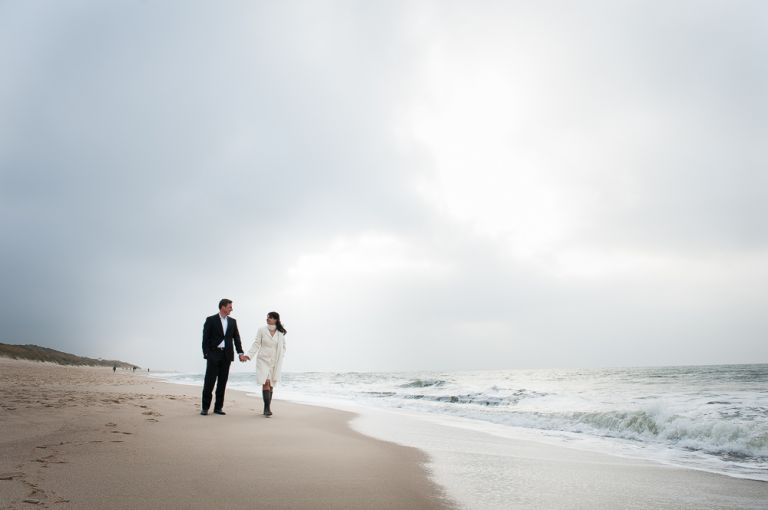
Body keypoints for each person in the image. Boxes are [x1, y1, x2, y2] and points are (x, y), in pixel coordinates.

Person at [200, 298, 245, 416]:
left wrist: (240, 353)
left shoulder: (232, 321)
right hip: (213, 354)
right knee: (209, 382)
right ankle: (205, 408)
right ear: (223, 307)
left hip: (227, 355)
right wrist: (206, 354)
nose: (232, 309)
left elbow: (237, 338)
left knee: (222, 383)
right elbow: (205, 338)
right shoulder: (211, 320)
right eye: (230, 307)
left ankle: (218, 408)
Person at [243, 311, 287, 417]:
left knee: (271, 384)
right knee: (266, 382)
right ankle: (267, 408)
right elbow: (256, 343)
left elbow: (283, 347)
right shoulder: (262, 330)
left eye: (271, 317)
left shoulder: (280, 333)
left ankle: (266, 407)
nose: (268, 319)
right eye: (267, 317)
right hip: (263, 360)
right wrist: (248, 355)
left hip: (274, 361)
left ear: (276, 319)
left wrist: (281, 357)